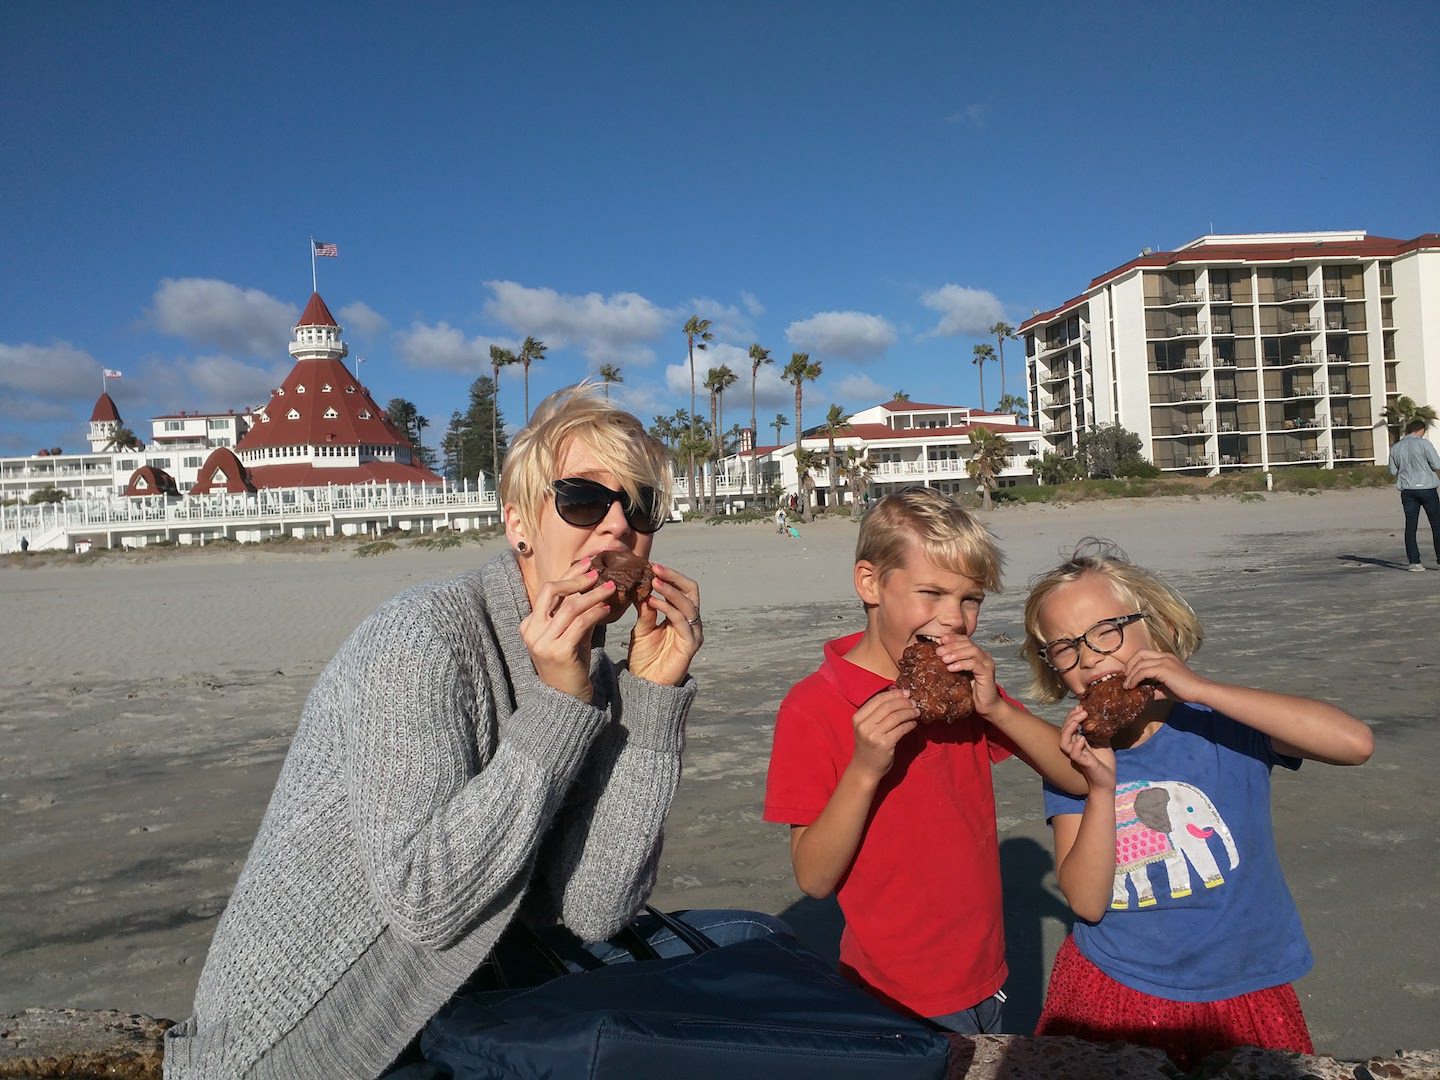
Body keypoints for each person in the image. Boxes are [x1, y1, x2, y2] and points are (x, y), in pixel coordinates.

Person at [165, 383, 784, 1080]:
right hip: (323, 1043)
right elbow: (428, 905)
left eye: (640, 506)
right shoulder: (421, 638)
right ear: (518, 523)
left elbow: (594, 905)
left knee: (763, 940)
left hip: (473, 980)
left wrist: (651, 700)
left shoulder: (593, 670)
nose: (617, 528)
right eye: (583, 499)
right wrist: (556, 708)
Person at [1021, 541, 1373, 1070]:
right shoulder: (1073, 754)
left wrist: (1201, 689)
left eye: (1105, 631)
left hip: (1244, 986)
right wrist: (1099, 788)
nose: (1089, 655)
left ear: (1154, 625)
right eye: (1065, 647)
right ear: (1053, 667)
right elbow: (1087, 902)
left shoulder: (1221, 723)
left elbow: (1354, 744)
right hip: (1115, 985)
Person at [763, 487, 1084, 1033]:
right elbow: (814, 878)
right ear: (870, 583)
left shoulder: (967, 690)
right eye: (931, 593)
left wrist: (998, 712)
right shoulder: (813, 707)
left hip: (988, 970)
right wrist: (865, 768)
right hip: (891, 991)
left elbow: (1077, 774)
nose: (954, 619)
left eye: (970, 599)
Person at [1388, 418, 1440, 572]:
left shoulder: (1396, 447)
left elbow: (1392, 471)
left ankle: (1414, 562)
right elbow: (1437, 465)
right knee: (1436, 524)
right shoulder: (1424, 444)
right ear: (1421, 430)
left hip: (1408, 490)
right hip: (1427, 488)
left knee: (1411, 526)